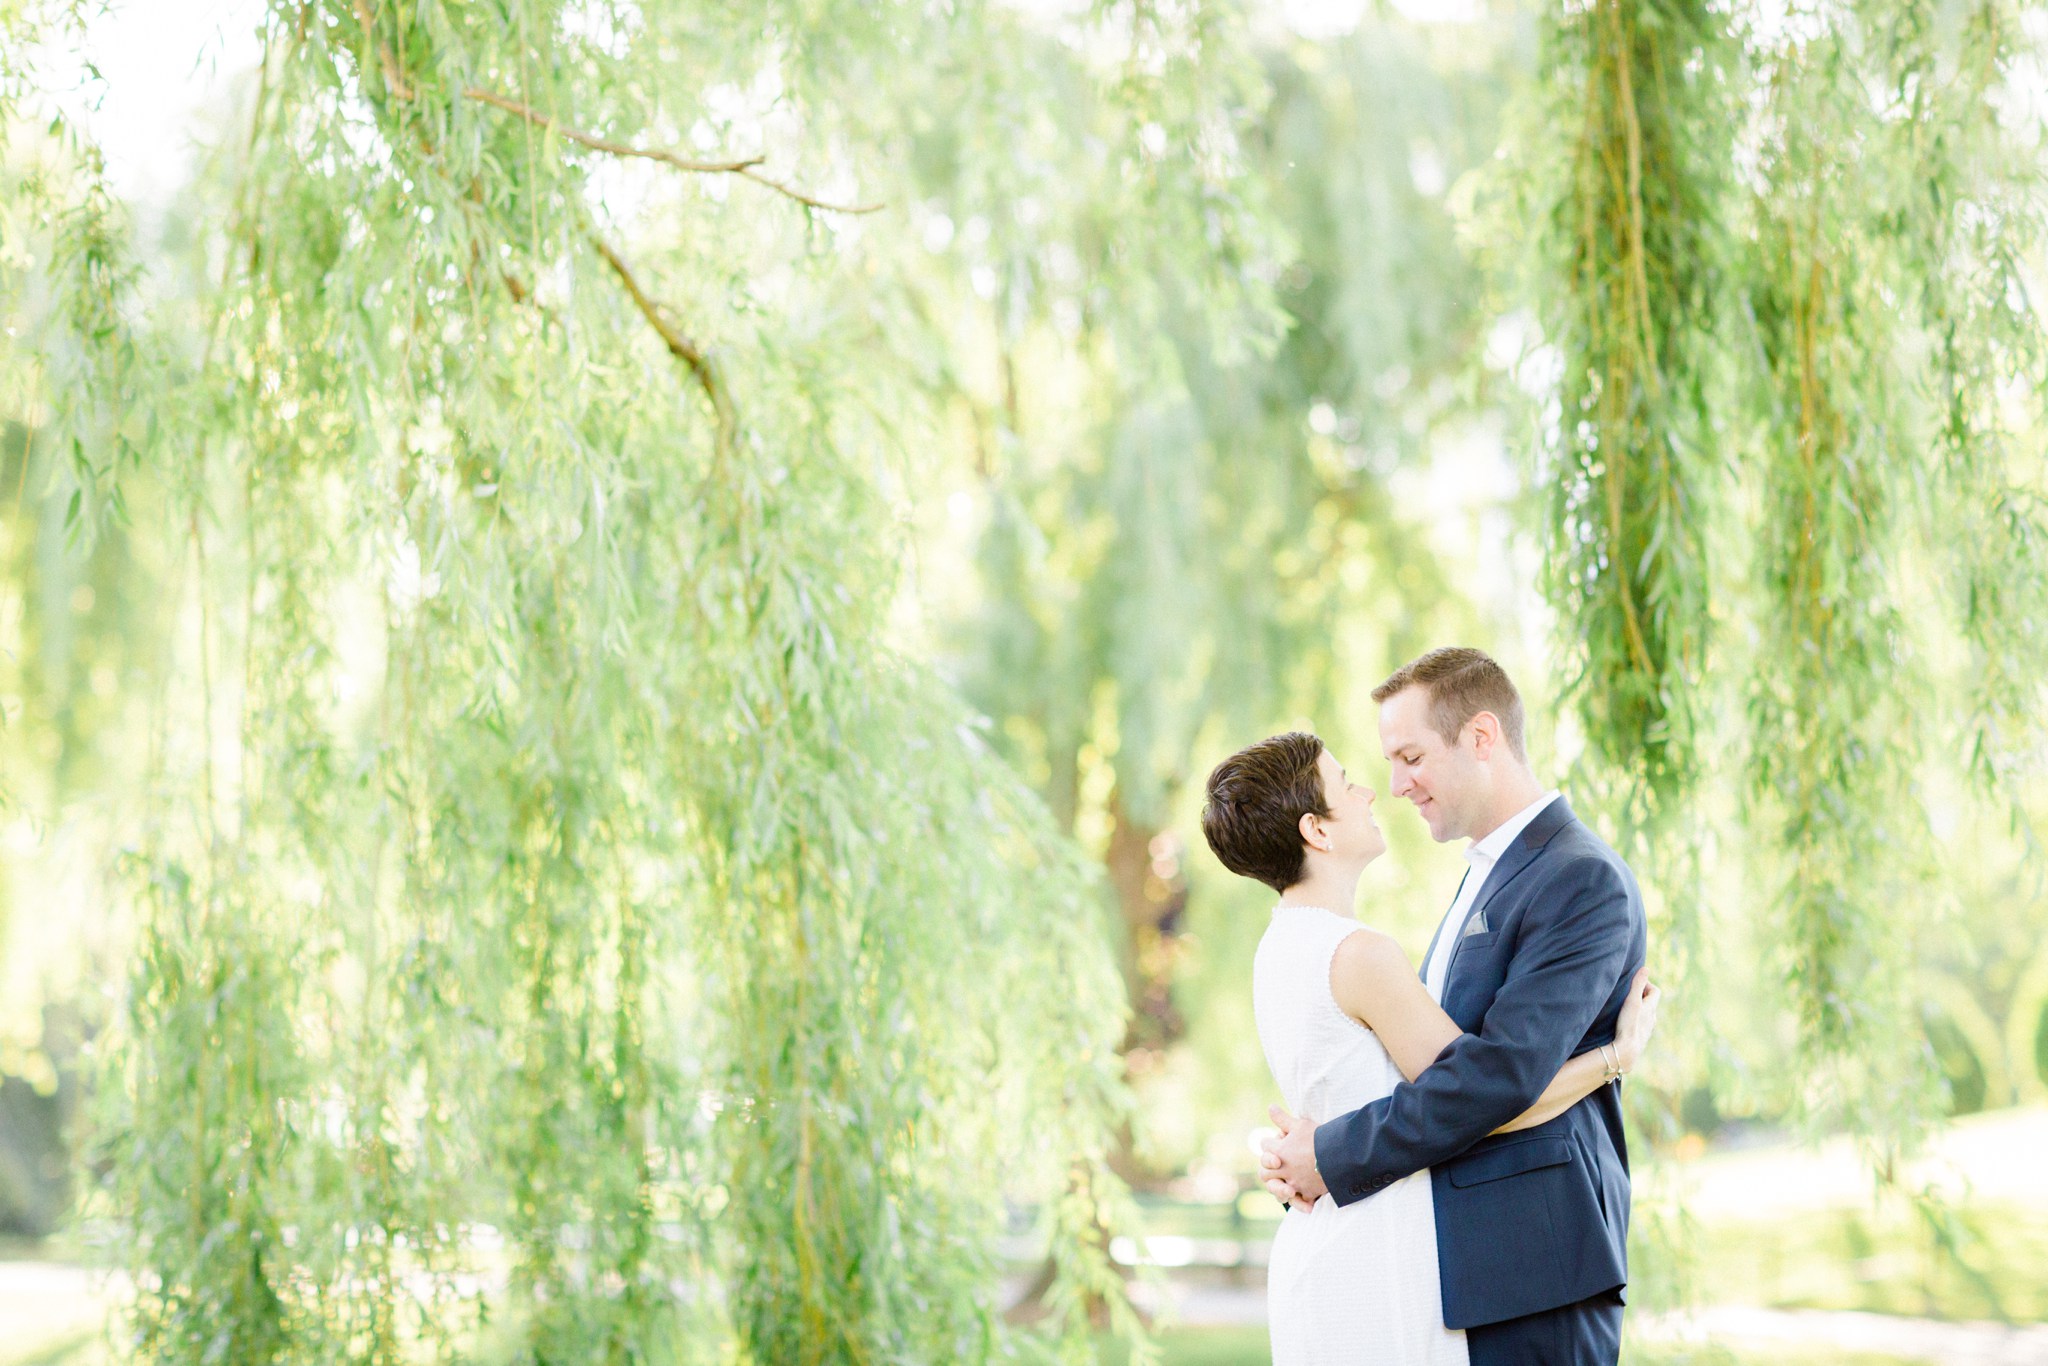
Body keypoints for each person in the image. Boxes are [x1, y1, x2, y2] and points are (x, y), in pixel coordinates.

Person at [1252, 648, 1651, 1364]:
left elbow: (1495, 1077)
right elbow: (1427, 1072)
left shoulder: (1578, 878)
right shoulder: (1486, 875)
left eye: (1410, 757)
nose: (1395, 785)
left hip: (1534, 1267)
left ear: (1481, 738)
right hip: (1464, 1268)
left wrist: (1330, 1152)